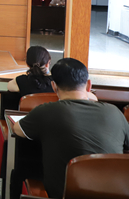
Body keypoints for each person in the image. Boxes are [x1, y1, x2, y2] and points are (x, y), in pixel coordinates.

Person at [12, 59, 129, 199]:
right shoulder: (114, 112)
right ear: (89, 85)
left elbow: (17, 129)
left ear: (54, 86)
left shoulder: (47, 111)